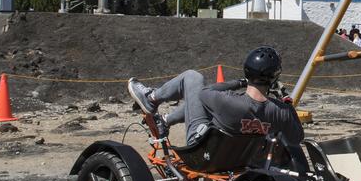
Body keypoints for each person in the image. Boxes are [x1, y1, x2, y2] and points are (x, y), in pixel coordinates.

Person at [127, 46, 303, 149]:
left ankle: (151, 99)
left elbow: (204, 92)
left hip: (203, 151)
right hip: (246, 159)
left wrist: (240, 82)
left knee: (193, 77)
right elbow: (296, 139)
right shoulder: (282, 112)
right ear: (274, 77)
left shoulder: (227, 101)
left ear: (247, 71)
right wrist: (288, 109)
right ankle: (165, 121)